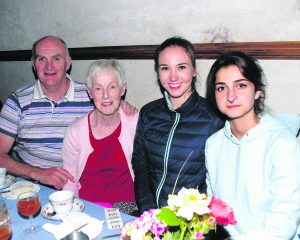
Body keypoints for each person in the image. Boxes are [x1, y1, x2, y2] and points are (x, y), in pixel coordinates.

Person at [0, 35, 136, 190]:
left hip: (79, 183)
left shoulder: (90, 95)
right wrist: (37, 173)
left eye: (56, 58)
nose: (49, 66)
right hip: (32, 185)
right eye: (41, 59)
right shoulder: (18, 101)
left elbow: (109, 103)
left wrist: (122, 105)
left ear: (68, 62)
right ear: (33, 64)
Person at [205, 51, 300, 239]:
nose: (231, 96)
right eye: (221, 88)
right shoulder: (213, 144)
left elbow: (283, 225)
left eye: (240, 85)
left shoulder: (282, 144)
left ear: (257, 91)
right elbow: (212, 209)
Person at [132, 37, 224, 214]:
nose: (173, 77)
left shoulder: (214, 117)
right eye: (165, 68)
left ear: (194, 71)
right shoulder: (148, 113)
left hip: (192, 222)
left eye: (181, 67)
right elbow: (140, 164)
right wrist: (148, 210)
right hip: (152, 216)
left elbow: (220, 180)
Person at [62, 59, 138, 214]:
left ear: (122, 89)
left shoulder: (135, 123)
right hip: (86, 206)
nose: (105, 96)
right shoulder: (75, 130)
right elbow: (70, 180)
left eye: (112, 87)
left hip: (127, 207)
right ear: (89, 92)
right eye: (98, 88)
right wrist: (72, 212)